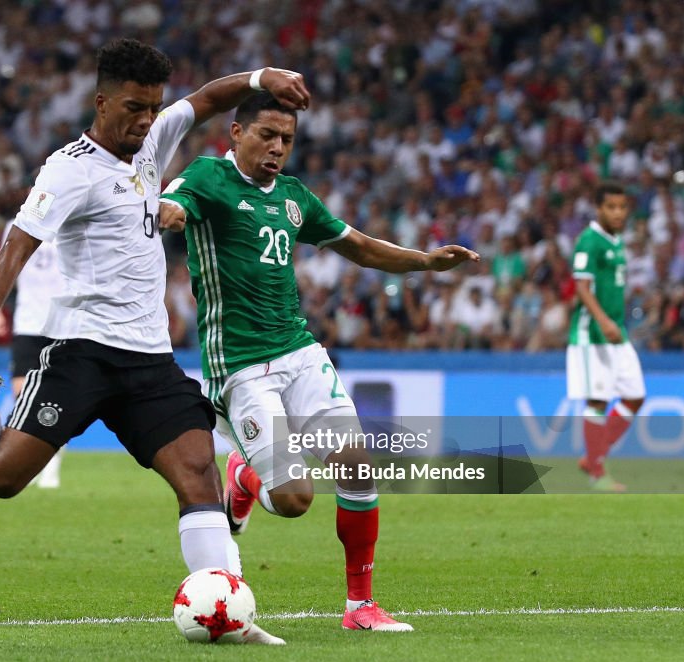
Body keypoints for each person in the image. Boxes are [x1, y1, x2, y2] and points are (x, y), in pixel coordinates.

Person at [0, 38, 311, 645]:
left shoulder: (154, 141)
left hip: (149, 362)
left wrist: (261, 75)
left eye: (153, 108)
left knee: (199, 475)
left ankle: (233, 618)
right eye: (135, 108)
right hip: (81, 354)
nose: (146, 121)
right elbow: (17, 244)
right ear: (102, 101)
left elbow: (210, 98)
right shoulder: (69, 168)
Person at [159, 93, 479, 631]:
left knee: (356, 463)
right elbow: (174, 205)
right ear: (236, 133)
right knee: (294, 501)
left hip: (301, 352)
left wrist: (425, 261)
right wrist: (166, 211)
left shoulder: (293, 197)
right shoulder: (208, 178)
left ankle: (360, 606)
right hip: (240, 365)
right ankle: (243, 480)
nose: (277, 147)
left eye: (286, 139)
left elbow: (357, 245)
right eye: (266, 135)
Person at [567, 181, 646, 492]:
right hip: (594, 333)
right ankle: (598, 474)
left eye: (622, 207)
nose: (617, 212)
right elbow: (582, 288)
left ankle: (593, 456)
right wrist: (603, 320)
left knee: (635, 395)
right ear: (598, 208)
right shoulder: (589, 241)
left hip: (617, 332)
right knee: (598, 400)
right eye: (611, 207)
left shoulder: (616, 241)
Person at [0, 224, 64, 488]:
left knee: (54, 395)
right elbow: (6, 266)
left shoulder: (70, 219)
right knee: (21, 392)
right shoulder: (18, 222)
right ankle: (34, 460)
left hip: (62, 321)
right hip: (27, 322)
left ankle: (51, 463)